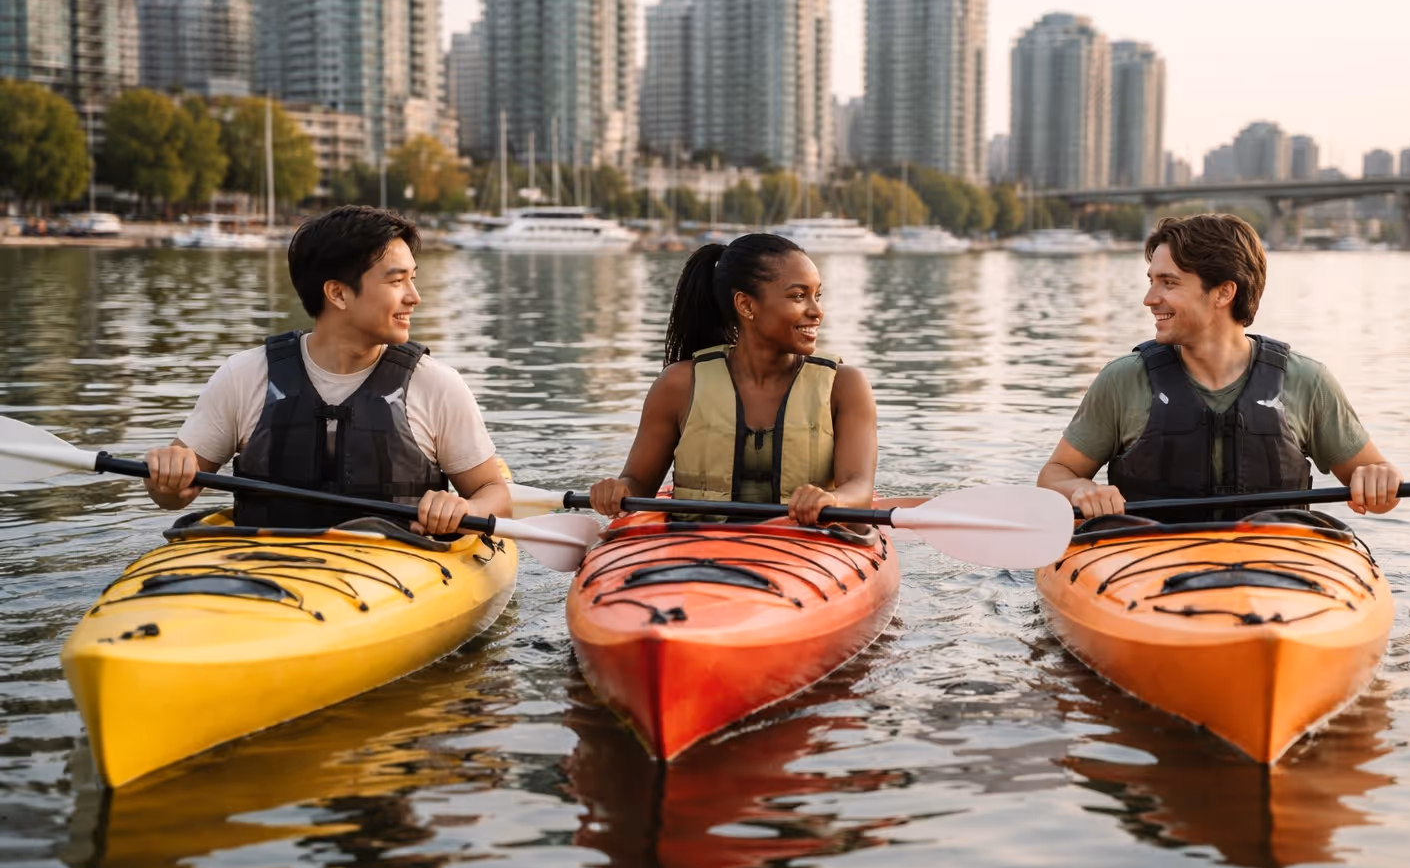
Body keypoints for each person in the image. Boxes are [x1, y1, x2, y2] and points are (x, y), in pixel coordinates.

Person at [142, 205, 511, 534]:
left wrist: (466, 507)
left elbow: (495, 495)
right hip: (264, 567)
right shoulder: (244, 375)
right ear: (337, 294)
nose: (414, 296)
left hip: (396, 576)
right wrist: (168, 475)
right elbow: (172, 499)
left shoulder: (437, 385)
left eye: (412, 278)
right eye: (397, 281)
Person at [1037, 213, 1402, 521]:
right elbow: (1055, 475)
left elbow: (1375, 480)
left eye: (1168, 283)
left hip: (1276, 574)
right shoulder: (1122, 380)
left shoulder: (1308, 382)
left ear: (1224, 293)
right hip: (1145, 569)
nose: (1149, 299)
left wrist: (1379, 480)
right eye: (1152, 282)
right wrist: (1081, 489)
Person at [588, 234, 877, 527]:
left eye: (817, 296)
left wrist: (833, 500)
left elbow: (859, 487)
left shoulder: (845, 385)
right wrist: (617, 489)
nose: (817, 311)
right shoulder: (678, 384)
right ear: (746, 305)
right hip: (695, 548)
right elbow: (638, 484)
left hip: (807, 547)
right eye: (798, 296)